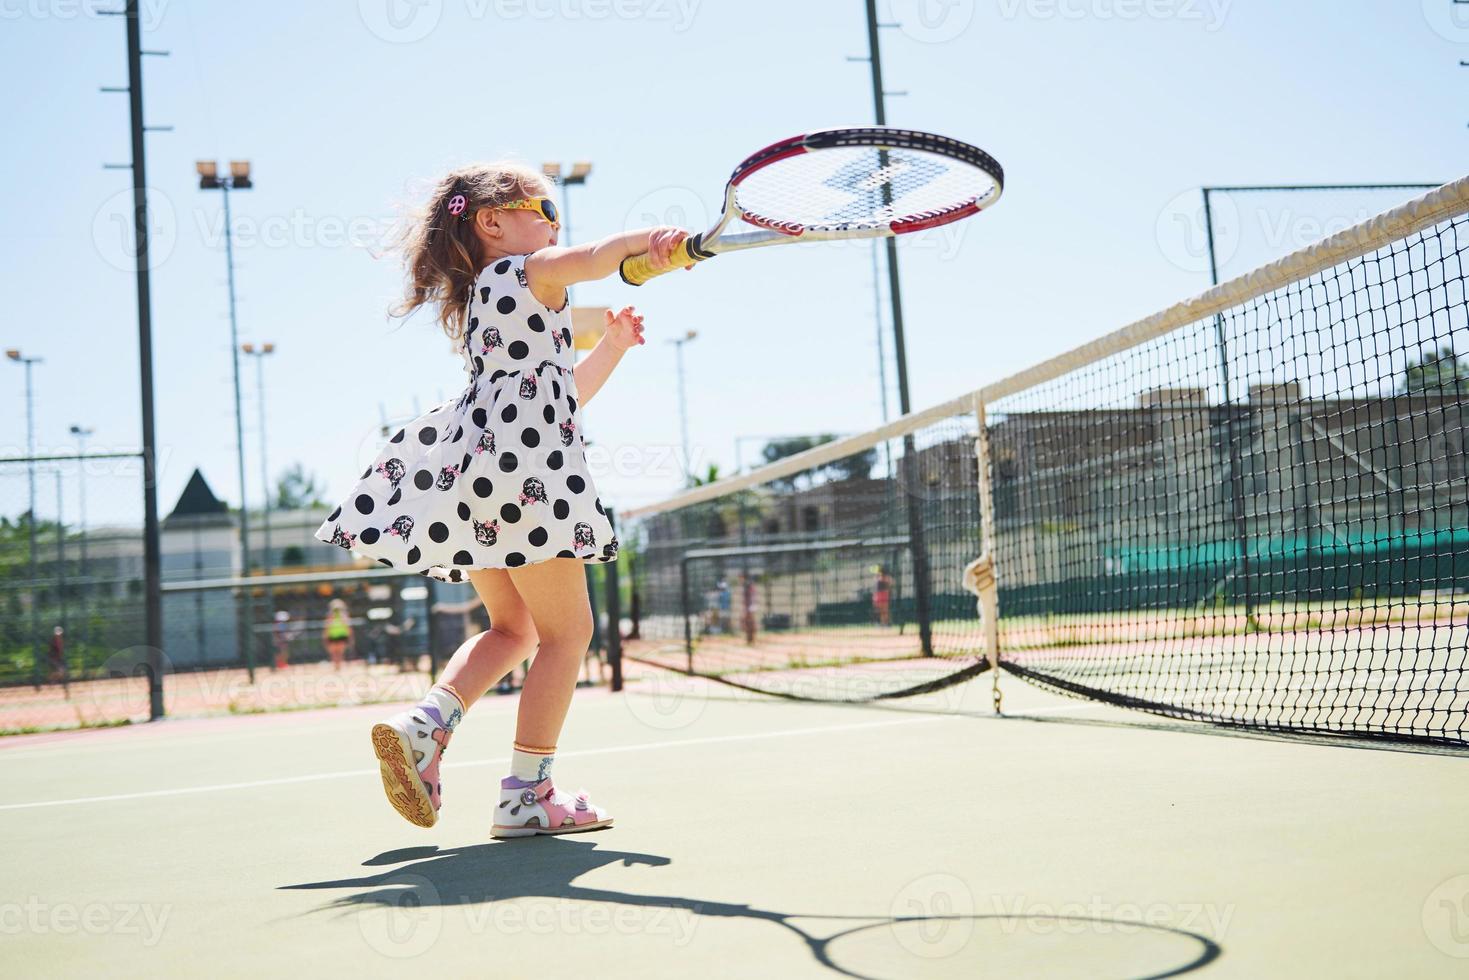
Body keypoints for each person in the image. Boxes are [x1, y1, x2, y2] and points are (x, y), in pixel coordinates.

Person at [313, 161, 691, 836]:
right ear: (493, 221)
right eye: (542, 210)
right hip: (528, 477)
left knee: (512, 630)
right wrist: (652, 238)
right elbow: (598, 258)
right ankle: (526, 794)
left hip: (479, 480)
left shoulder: (490, 301)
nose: (554, 223)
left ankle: (424, 727)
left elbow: (561, 399)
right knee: (568, 633)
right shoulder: (530, 273)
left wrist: (610, 345)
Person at [322, 599, 353, 669]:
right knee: (334, 653)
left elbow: (348, 626)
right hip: (332, 636)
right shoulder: (330, 616)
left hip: (341, 635)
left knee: (340, 652)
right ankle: (336, 666)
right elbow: (327, 626)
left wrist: (349, 635)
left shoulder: (344, 616)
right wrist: (326, 636)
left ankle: (339, 666)